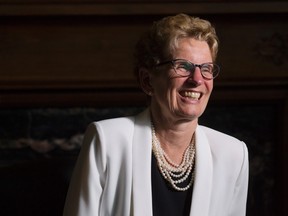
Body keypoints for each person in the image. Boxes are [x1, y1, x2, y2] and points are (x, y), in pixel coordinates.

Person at [63, 13, 249, 216]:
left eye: (206, 68)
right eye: (183, 66)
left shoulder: (233, 154)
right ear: (147, 80)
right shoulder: (108, 140)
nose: (197, 79)